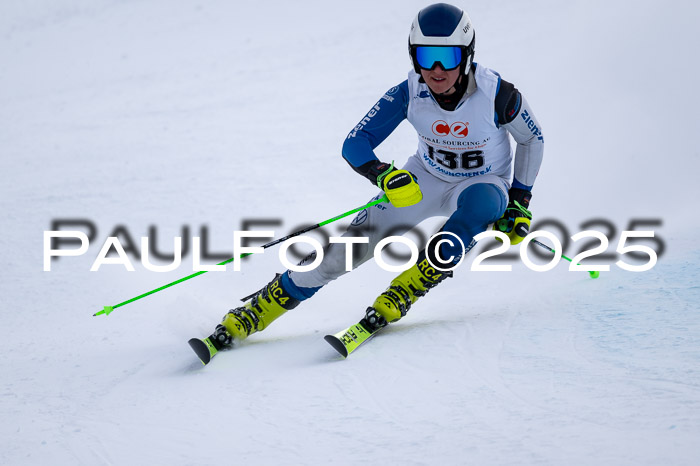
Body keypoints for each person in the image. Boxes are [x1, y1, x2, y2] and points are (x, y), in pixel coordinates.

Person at [208, 3, 544, 349]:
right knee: (347, 250)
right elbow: (356, 143)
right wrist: (383, 174)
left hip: (482, 182)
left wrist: (520, 199)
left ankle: (409, 287)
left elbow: (532, 139)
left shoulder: (498, 94)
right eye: (427, 57)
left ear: (468, 55)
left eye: (448, 56)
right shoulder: (410, 91)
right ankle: (263, 306)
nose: (438, 69)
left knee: (480, 205)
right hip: (424, 179)